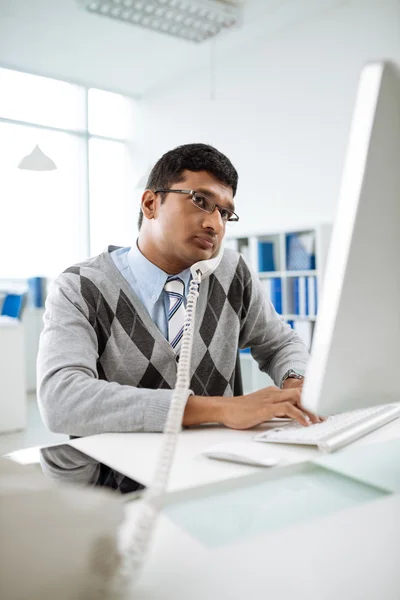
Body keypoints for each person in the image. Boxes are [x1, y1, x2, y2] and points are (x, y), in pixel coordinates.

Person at [37, 143, 317, 491]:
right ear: (151, 203)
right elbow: (61, 398)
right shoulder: (81, 286)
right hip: (114, 494)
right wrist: (219, 409)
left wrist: (295, 380)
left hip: (213, 478)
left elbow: (281, 343)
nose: (214, 224)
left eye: (225, 213)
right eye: (200, 200)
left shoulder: (231, 272)